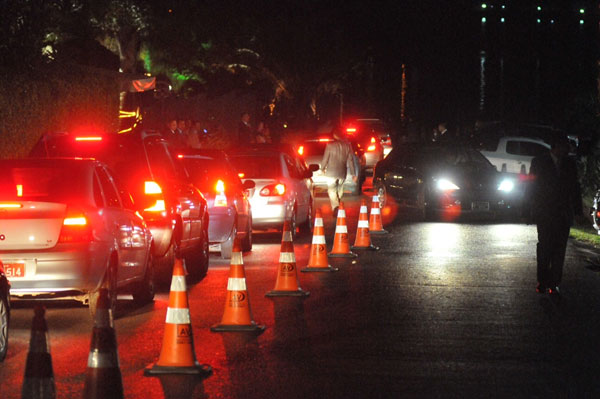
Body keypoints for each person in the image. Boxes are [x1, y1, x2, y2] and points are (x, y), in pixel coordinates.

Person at [523, 135, 583, 295]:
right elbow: (531, 186)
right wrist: (528, 208)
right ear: (556, 146)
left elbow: (575, 188)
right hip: (545, 211)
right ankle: (542, 280)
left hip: (563, 212)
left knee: (559, 248)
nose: (567, 150)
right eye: (565, 146)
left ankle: (554, 282)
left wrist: (577, 211)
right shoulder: (539, 162)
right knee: (545, 246)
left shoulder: (570, 164)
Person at [321, 128, 357, 214]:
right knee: (339, 190)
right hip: (342, 173)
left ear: (334, 136)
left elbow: (325, 158)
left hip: (331, 173)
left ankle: (336, 207)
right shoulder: (347, 146)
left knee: (332, 190)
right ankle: (337, 206)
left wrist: (322, 168)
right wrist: (353, 174)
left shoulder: (329, 145)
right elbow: (351, 160)